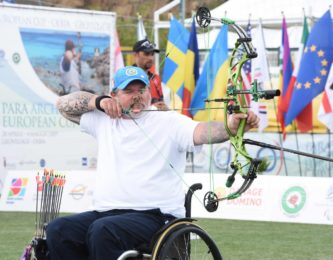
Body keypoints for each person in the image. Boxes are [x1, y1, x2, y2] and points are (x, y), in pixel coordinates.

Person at [46, 66, 259, 259]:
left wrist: (230, 126)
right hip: (105, 212)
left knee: (103, 230)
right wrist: (98, 102)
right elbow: (62, 105)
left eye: (142, 90)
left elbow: (202, 132)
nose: (137, 97)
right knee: (58, 229)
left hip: (154, 216)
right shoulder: (102, 120)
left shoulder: (168, 121)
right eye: (129, 92)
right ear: (114, 96)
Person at [133, 38, 168, 110]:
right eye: (146, 54)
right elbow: (126, 106)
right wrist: (152, 108)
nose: (151, 58)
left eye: (152, 54)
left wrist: (164, 108)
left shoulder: (156, 78)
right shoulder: (127, 77)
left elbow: (160, 101)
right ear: (136, 55)